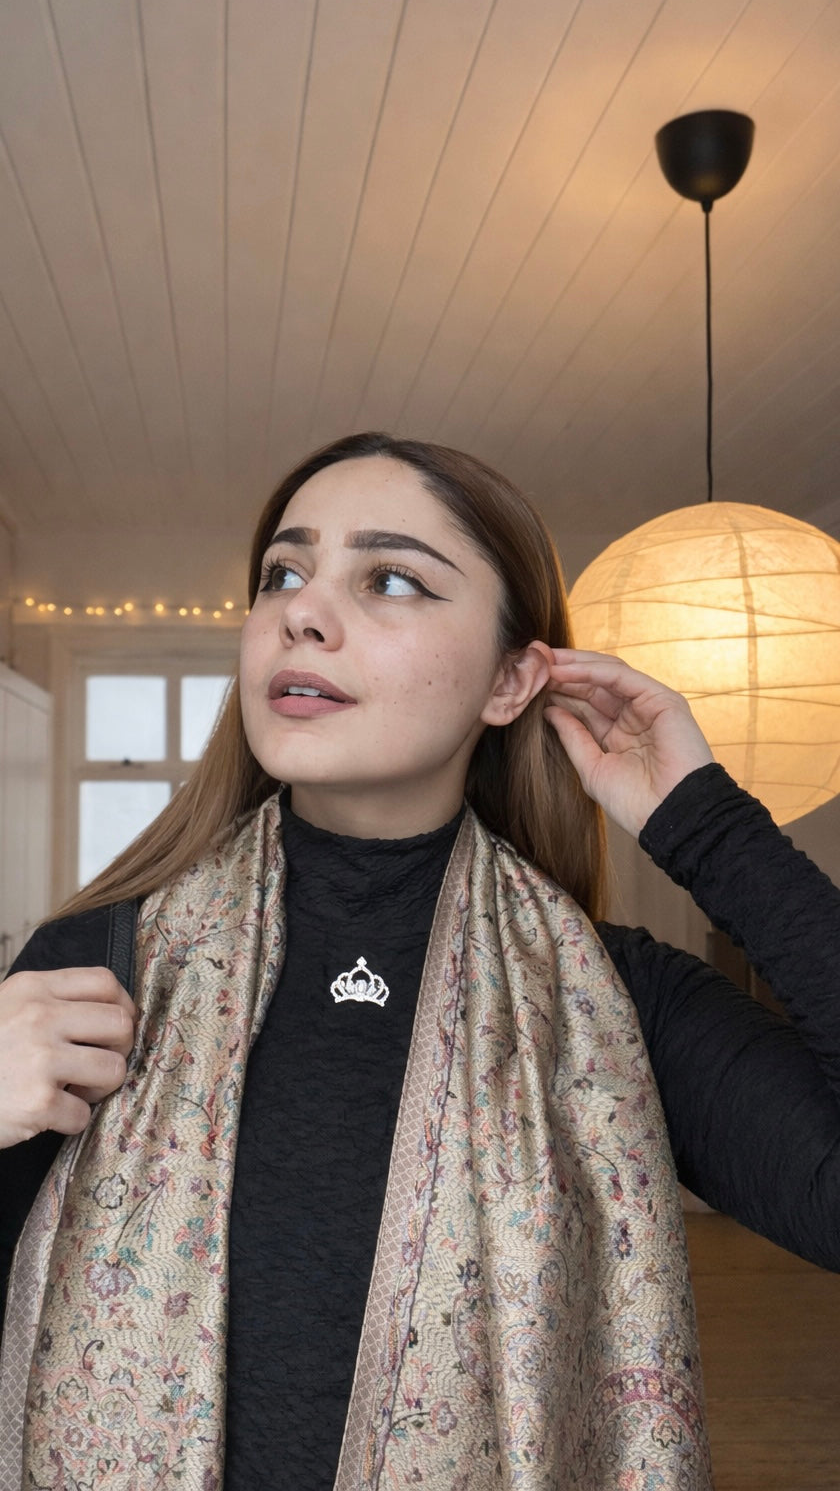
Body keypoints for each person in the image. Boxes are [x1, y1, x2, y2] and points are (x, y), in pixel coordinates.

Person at [0, 432, 838, 1490]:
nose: (303, 613)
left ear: (511, 679)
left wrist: (708, 829)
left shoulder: (613, 1004)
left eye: (391, 579)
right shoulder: (91, 971)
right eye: (284, 574)